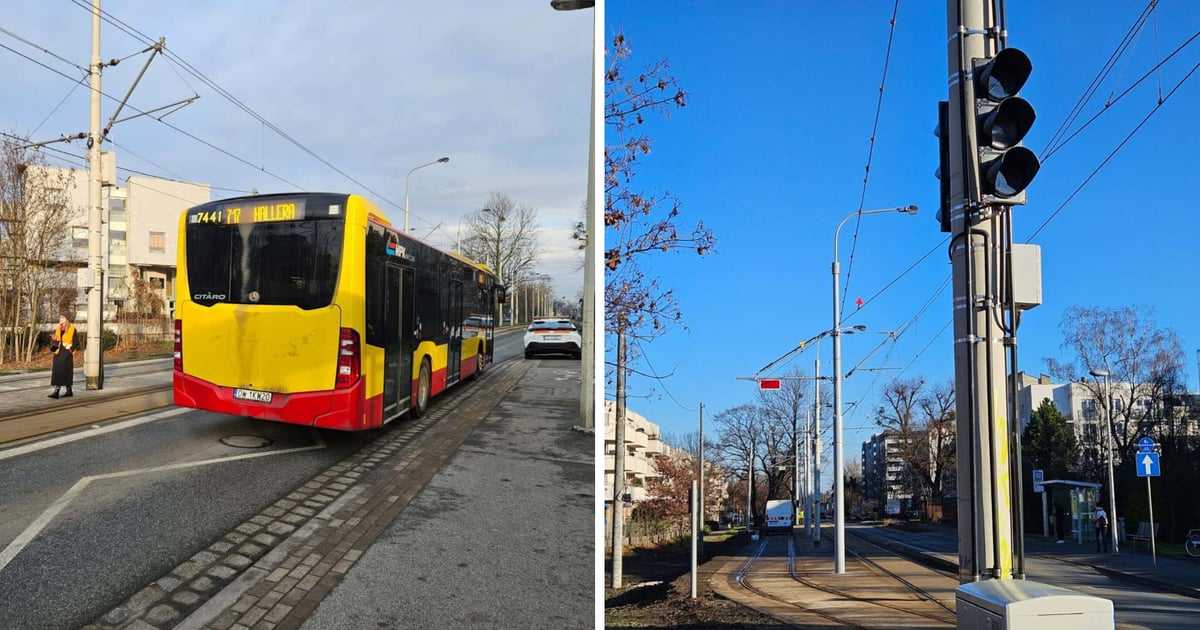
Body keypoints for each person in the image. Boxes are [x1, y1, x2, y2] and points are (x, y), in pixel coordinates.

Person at [48, 313, 76, 399]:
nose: (60, 319)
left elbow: (75, 341)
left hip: (67, 352)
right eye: (60, 317)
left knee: (65, 371)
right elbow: (56, 339)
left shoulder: (72, 329)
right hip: (58, 352)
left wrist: (70, 349)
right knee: (58, 371)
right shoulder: (58, 329)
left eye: (62, 317)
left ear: (66, 319)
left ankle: (58, 391)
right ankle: (68, 390)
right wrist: (54, 339)